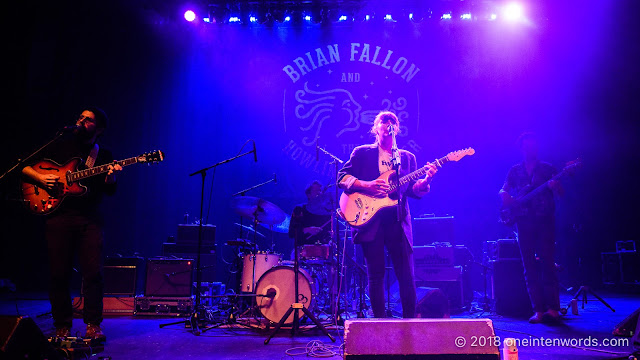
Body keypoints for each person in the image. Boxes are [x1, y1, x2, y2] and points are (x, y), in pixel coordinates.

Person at [21, 107, 122, 340]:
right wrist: (40, 178)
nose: (81, 121)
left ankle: (93, 325)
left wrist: (111, 175)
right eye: (81, 117)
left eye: (88, 120)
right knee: (58, 274)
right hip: (59, 217)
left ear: (99, 129)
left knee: (93, 274)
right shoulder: (60, 145)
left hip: (89, 219)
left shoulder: (103, 155)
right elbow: (24, 166)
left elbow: (110, 190)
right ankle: (62, 326)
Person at [336, 111, 437, 318]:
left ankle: (411, 322)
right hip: (370, 219)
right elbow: (342, 177)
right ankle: (379, 323)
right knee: (376, 275)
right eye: (384, 121)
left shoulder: (407, 158)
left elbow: (412, 190)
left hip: (398, 221)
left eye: (392, 121)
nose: (388, 123)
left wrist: (426, 181)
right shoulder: (362, 153)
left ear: (397, 128)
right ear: (376, 128)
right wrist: (367, 185)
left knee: (406, 276)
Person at [499, 132, 563, 323]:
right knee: (529, 265)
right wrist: (503, 194)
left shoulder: (548, 169)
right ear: (522, 149)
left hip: (544, 220)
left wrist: (555, 187)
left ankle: (553, 309)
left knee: (547, 263)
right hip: (523, 221)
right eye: (527, 147)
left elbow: (561, 193)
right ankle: (538, 310)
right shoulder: (515, 171)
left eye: (533, 146)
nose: (530, 150)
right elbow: (504, 188)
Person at [288, 180, 332, 250]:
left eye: (320, 191)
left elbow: (330, 234)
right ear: (308, 195)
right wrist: (307, 230)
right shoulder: (300, 209)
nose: (319, 193)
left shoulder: (326, 212)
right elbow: (291, 233)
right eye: (316, 191)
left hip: (322, 252)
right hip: (303, 251)